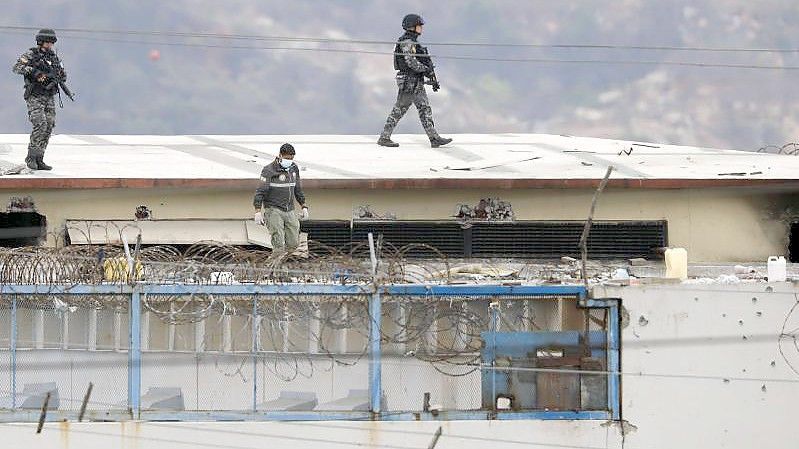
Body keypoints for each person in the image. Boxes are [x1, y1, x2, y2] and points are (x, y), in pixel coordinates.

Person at [377, 14, 452, 148]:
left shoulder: (412, 42)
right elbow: (411, 62)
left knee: (424, 108)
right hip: (409, 81)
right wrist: (425, 69)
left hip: (415, 81)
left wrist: (427, 72)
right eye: (419, 25)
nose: (421, 28)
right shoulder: (407, 42)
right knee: (400, 109)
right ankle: (384, 137)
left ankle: (434, 138)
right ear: (412, 27)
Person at [12, 29, 67, 170]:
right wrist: (35, 72)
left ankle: (39, 157)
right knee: (40, 124)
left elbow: (63, 75)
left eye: (51, 42)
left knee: (49, 126)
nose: (49, 45)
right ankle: (31, 157)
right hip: (35, 95)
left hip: (49, 96)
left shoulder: (54, 58)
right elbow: (17, 67)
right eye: (47, 42)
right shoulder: (32, 54)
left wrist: (59, 75)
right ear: (41, 41)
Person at [253, 143, 309, 254]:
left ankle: (281, 263)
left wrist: (303, 206)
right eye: (287, 158)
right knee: (278, 243)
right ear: (280, 155)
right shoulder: (269, 170)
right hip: (274, 209)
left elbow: (297, 189)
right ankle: (271, 268)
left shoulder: (293, 168)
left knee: (293, 243)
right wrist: (257, 211)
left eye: (292, 158)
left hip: (289, 209)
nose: (290, 161)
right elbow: (260, 191)